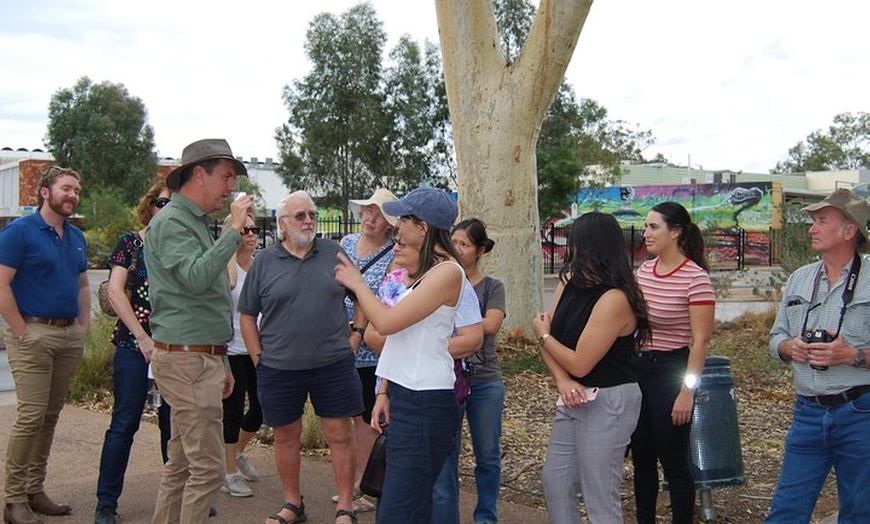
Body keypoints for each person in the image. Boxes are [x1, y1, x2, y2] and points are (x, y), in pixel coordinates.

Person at [334, 187, 474, 524]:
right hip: (406, 394)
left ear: (423, 227)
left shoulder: (448, 273)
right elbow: (400, 341)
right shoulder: (422, 274)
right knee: (403, 506)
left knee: (399, 510)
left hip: (426, 402)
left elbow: (386, 323)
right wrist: (384, 391)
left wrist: (358, 283)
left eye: (404, 220)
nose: (396, 227)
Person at [145, 138, 252, 524]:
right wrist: (232, 233)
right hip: (187, 361)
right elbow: (195, 278)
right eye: (225, 177)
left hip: (197, 357)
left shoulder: (192, 222)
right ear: (198, 175)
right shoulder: (173, 222)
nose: (231, 187)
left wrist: (219, 359)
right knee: (207, 469)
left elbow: (207, 298)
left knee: (180, 465)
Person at [238, 191, 360, 524]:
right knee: (285, 436)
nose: (308, 221)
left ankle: (345, 506)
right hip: (278, 367)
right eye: (300, 216)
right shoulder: (264, 262)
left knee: (339, 434)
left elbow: (361, 293)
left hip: (332, 364)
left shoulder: (334, 253)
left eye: (312, 214)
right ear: (281, 224)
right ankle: (293, 504)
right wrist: (257, 357)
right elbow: (247, 314)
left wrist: (357, 334)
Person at [532, 212, 651, 523]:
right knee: (555, 481)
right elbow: (551, 343)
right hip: (572, 395)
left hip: (610, 399)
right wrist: (561, 380)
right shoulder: (569, 281)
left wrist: (543, 336)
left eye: (574, 243)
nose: (568, 250)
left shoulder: (615, 298)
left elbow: (578, 361)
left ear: (589, 246)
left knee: (599, 491)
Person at [765, 188, 870, 524]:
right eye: (813, 222)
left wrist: (852, 355)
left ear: (849, 230)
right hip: (807, 412)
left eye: (822, 221)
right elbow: (775, 337)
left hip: (860, 413)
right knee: (786, 510)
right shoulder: (799, 278)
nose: (812, 228)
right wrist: (787, 348)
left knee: (859, 511)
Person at [0, 165, 88, 524]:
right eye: (66, 188)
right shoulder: (19, 232)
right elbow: (2, 285)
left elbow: (83, 285)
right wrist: (21, 329)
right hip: (33, 334)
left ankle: (35, 490)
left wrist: (83, 326)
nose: (72, 195)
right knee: (31, 416)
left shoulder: (75, 235)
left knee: (49, 417)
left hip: (68, 335)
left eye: (77, 191)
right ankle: (13, 499)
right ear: (45, 192)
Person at [630, 201, 715, 524]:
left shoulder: (696, 278)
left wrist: (686, 391)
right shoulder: (644, 271)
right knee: (642, 459)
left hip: (672, 371)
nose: (647, 233)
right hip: (639, 370)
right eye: (647, 226)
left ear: (676, 232)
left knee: (674, 462)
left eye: (654, 227)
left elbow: (701, 341)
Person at [94, 180, 173, 524]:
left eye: (173, 205)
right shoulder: (130, 243)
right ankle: (106, 503)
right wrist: (142, 337)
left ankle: (180, 496)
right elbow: (115, 291)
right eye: (160, 202)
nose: (164, 210)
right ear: (148, 205)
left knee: (175, 426)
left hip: (174, 348)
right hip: (133, 346)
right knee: (124, 423)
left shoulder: (179, 249)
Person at [432, 219, 507, 524]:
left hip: (485, 381)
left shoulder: (492, 286)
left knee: (487, 455)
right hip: (445, 379)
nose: (458, 249)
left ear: (479, 250)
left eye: (465, 244)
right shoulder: (440, 281)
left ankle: (486, 516)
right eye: (455, 242)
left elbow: (491, 325)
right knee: (446, 454)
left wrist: (453, 328)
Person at [337, 188, 398, 512]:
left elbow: (388, 300)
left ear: (389, 223)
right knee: (343, 419)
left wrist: (361, 332)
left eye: (379, 214)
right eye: (368, 211)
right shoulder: (346, 244)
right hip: (339, 346)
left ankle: (368, 486)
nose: (371, 219)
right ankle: (353, 483)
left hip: (372, 349)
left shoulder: (393, 254)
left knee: (368, 419)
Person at [219, 214, 263, 498]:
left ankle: (238, 452)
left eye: (253, 229)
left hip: (257, 348)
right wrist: (231, 246)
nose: (250, 234)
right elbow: (232, 285)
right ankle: (228, 471)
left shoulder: (260, 267)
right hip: (232, 348)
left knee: (261, 410)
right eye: (243, 229)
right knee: (232, 412)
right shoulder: (226, 266)